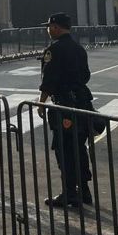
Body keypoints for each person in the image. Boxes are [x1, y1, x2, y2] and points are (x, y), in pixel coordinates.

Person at [37, 12, 94, 209]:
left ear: (55, 27)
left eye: (49, 26)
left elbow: (49, 80)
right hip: (81, 102)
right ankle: (84, 190)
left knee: (64, 149)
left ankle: (69, 193)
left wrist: (42, 102)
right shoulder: (79, 48)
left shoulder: (54, 49)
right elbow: (86, 75)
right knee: (79, 147)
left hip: (64, 104)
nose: (48, 30)